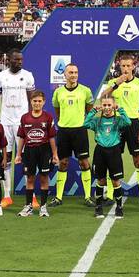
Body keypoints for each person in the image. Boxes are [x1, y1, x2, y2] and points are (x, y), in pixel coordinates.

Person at [99, 54, 139, 206]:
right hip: (115, 123)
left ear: (134, 66)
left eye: (129, 66)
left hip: (133, 124)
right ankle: (110, 195)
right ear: (119, 66)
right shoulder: (112, 82)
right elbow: (103, 97)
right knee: (112, 159)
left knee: (138, 159)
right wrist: (116, 84)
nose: (126, 68)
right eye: (123, 66)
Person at [0, 49, 35, 208]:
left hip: (23, 123)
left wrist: (32, 120)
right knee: (6, 157)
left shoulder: (28, 75)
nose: (20, 62)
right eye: (16, 60)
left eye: (21, 60)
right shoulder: (0, 77)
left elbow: (32, 100)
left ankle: (32, 196)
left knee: (26, 157)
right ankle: (7, 195)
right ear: (8, 60)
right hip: (5, 122)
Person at [50, 63, 93, 206]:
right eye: (70, 72)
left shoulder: (85, 91)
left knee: (84, 162)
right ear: (65, 75)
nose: (73, 75)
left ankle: (88, 196)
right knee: (63, 163)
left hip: (80, 130)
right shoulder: (58, 92)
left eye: (75, 72)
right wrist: (64, 121)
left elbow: (89, 110)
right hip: (63, 131)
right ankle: (58, 197)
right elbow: (57, 111)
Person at [84, 96, 130, 219]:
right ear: (101, 106)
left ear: (113, 105)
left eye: (109, 105)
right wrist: (93, 111)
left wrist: (121, 109)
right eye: (104, 105)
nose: (107, 108)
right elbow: (85, 124)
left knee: (116, 181)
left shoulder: (118, 120)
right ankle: (98, 207)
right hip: (100, 151)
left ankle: (119, 208)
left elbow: (128, 122)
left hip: (114, 152)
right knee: (101, 180)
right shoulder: (97, 121)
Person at [15, 90, 57, 217]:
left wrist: (54, 154)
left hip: (44, 151)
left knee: (44, 177)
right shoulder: (25, 117)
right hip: (29, 151)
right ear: (31, 102)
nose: (37, 103)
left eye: (39, 101)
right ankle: (28, 206)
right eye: (34, 101)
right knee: (30, 178)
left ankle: (43, 207)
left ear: (44, 102)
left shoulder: (48, 117)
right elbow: (22, 137)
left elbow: (51, 137)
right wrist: (18, 154)